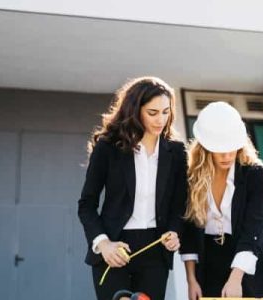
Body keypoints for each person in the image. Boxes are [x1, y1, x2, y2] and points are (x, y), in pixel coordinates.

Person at [77, 77, 187, 300]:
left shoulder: (176, 152)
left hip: (155, 251)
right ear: (135, 111)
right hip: (114, 248)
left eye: (166, 112)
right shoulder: (108, 147)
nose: (161, 120)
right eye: (152, 113)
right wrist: (103, 244)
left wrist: (175, 232)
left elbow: (179, 204)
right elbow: (86, 205)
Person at [180, 101, 263, 299]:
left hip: (246, 260)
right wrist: (191, 279)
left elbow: (253, 228)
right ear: (206, 147)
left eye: (231, 148)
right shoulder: (191, 177)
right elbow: (190, 232)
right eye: (219, 149)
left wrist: (236, 278)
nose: (227, 156)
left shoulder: (255, 175)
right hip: (208, 263)